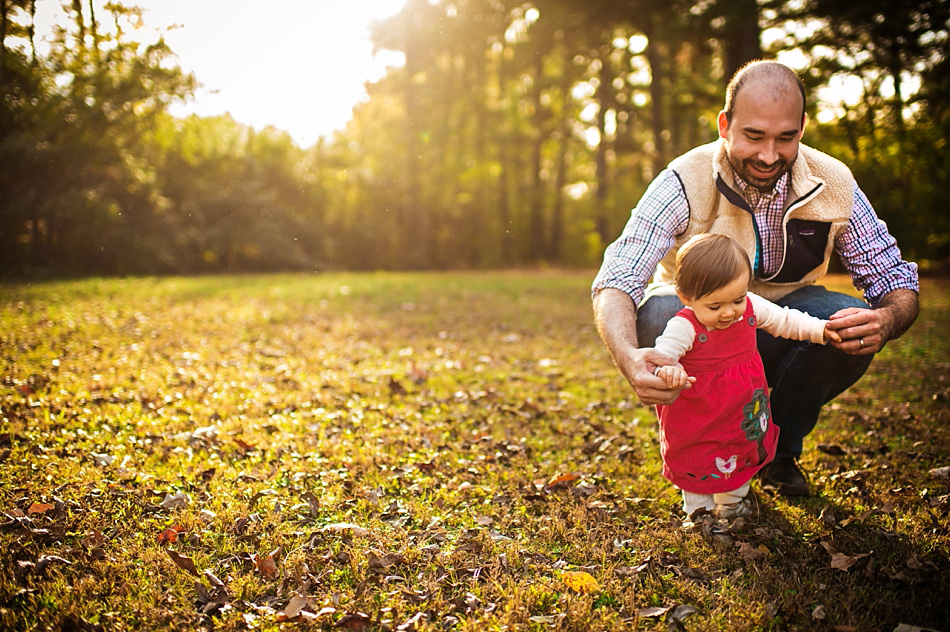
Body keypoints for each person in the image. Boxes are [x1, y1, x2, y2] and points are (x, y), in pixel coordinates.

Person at [592, 59, 919, 497]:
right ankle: (701, 451)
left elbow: (894, 279)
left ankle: (778, 452)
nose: (769, 155)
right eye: (753, 136)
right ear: (725, 125)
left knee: (852, 317)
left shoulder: (835, 180)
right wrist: (630, 356)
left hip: (790, 319)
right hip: (702, 330)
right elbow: (619, 275)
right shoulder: (683, 179)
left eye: (785, 138)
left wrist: (888, 320)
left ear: (802, 127)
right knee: (658, 314)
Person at [649, 233, 840, 519]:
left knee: (741, 449)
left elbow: (784, 320)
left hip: (742, 406)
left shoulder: (750, 306)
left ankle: (731, 504)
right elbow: (662, 355)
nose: (729, 313)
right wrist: (669, 370)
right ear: (686, 298)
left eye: (736, 300)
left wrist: (820, 330)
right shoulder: (684, 326)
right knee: (697, 457)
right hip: (698, 412)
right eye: (715, 307)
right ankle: (698, 511)